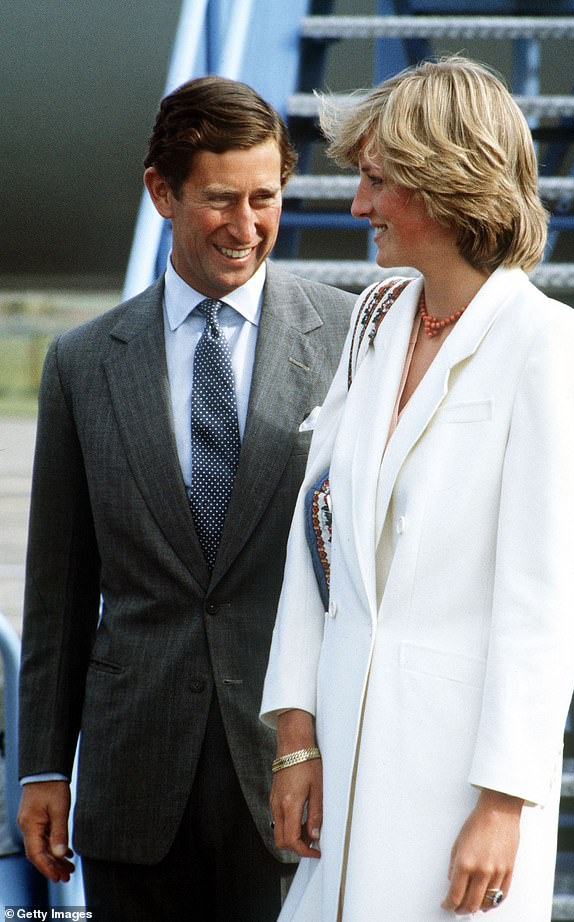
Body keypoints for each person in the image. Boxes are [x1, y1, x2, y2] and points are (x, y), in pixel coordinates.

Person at [260, 56, 574, 921]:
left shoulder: (549, 345)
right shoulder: (375, 318)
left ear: (443, 179)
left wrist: (504, 799)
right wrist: (295, 735)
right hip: (341, 763)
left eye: (377, 180)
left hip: (459, 784)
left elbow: (546, 599)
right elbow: (318, 530)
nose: (359, 204)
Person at [17, 75, 355, 922]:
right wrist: (43, 767)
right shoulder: (83, 362)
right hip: (133, 785)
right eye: (218, 201)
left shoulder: (355, 339)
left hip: (291, 771)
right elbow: (58, 590)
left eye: (265, 198)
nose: (247, 229)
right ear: (161, 193)